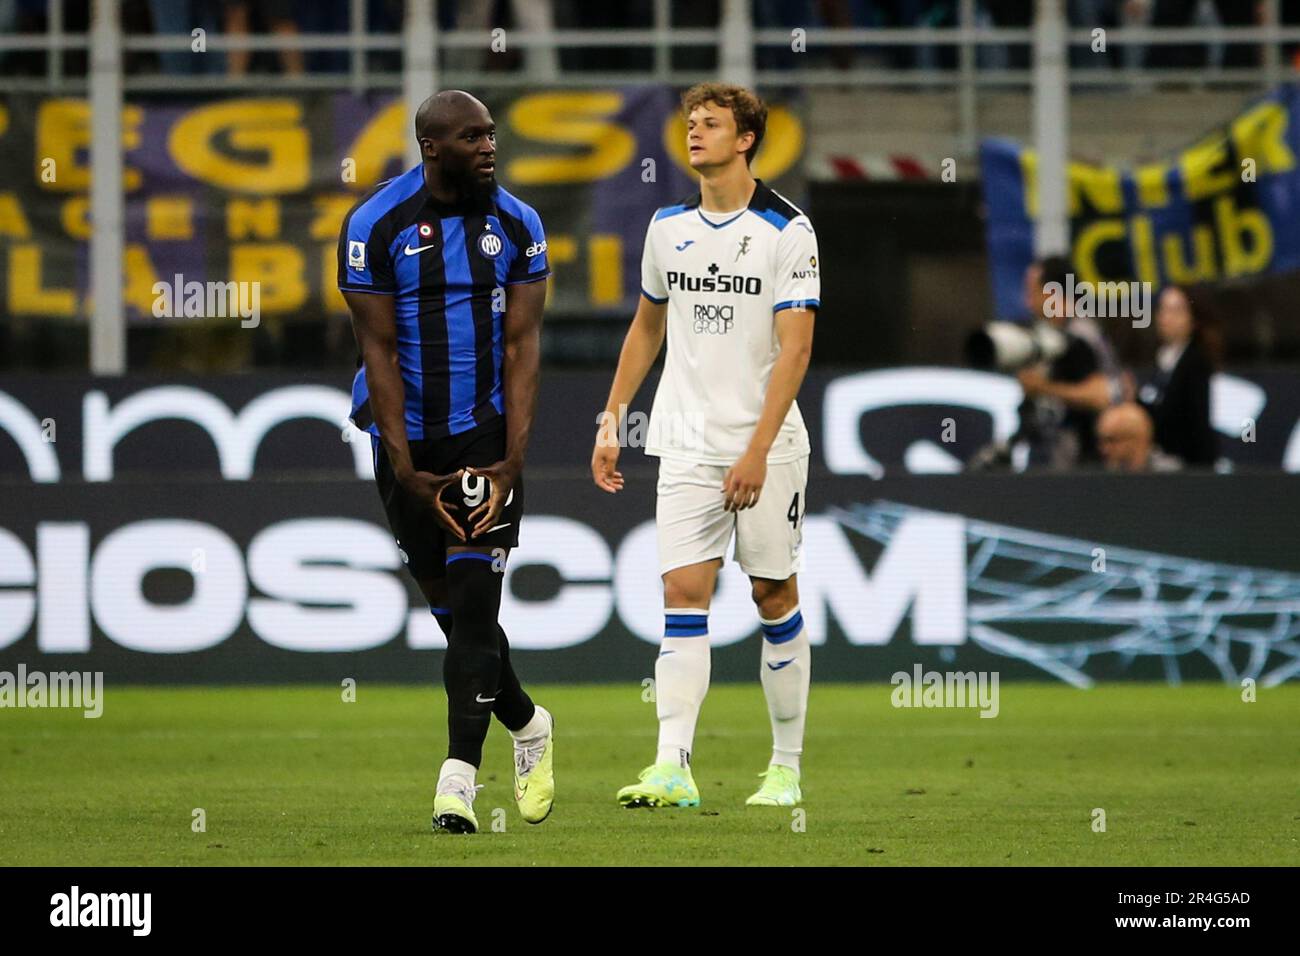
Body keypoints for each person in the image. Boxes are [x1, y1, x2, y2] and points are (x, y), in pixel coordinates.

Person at [592, 83, 819, 809]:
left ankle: (784, 767)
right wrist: (613, 415)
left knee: (770, 591)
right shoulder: (667, 227)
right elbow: (647, 327)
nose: (694, 134)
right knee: (682, 593)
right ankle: (672, 766)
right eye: (690, 123)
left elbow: (795, 350)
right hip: (685, 437)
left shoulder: (788, 230)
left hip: (765, 443)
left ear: (746, 139)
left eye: (711, 124)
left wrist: (755, 449)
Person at [338, 90, 554, 834]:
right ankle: (527, 723)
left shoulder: (519, 225)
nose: (490, 146)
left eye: (493, 132)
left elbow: (524, 348)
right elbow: (381, 351)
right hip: (404, 438)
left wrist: (510, 460)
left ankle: (457, 781)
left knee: (472, 607)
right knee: (450, 612)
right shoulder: (373, 226)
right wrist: (403, 468)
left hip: (482, 438)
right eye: (473, 136)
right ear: (432, 146)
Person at [1015, 255, 1120, 469]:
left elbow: (1101, 396)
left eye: (1032, 292)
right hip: (1052, 458)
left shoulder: (1080, 336)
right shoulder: (1048, 336)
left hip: (1084, 462)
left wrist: (1042, 387)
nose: (1028, 302)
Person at [1137, 284, 1218, 467]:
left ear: (1194, 319)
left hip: (1186, 461)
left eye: (1176, 311)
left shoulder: (1195, 362)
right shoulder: (1161, 358)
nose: (1166, 318)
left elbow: (1191, 421)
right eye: (1163, 309)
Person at [1097, 402, 1182, 472]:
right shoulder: (1102, 475)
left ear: (1136, 439)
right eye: (1101, 441)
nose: (1104, 449)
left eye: (1111, 440)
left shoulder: (1170, 474)